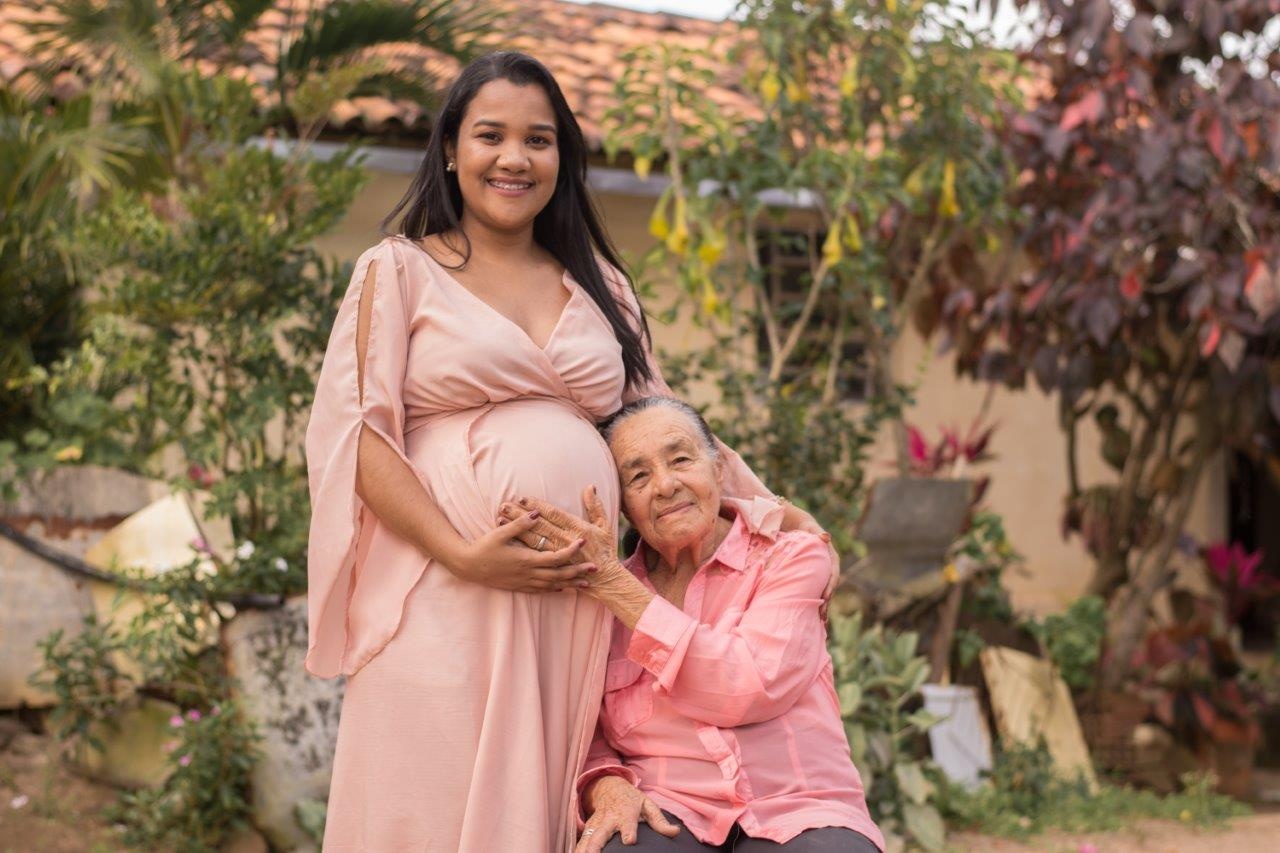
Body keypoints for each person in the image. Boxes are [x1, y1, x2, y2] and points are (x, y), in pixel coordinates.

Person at [304, 52, 832, 851]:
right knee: (427, 798)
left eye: (539, 140)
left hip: (567, 604)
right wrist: (463, 552)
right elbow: (359, 434)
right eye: (491, 136)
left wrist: (775, 515)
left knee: (536, 806)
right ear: (450, 150)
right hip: (441, 582)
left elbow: (662, 424)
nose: (514, 158)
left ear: (562, 156)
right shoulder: (400, 268)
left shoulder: (602, 287)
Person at [497, 397, 884, 853]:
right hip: (669, 806)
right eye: (638, 477)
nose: (665, 485)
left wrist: (616, 587)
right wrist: (606, 784)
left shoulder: (790, 558)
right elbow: (587, 726)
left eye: (681, 459)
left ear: (719, 470)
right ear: (625, 507)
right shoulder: (602, 596)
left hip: (798, 808)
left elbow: (745, 685)